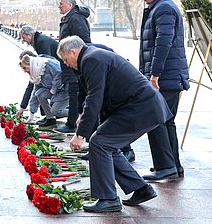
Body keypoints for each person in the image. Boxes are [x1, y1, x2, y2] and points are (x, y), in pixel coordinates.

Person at [59, 36, 172, 213]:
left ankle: (108, 199)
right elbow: (100, 96)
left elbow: (94, 97)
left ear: (73, 52)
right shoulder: (91, 56)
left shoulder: (91, 59)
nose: (66, 64)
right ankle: (140, 189)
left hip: (141, 107)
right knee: (104, 143)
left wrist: (80, 135)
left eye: (65, 59)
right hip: (140, 105)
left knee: (99, 142)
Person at [138, 0, 190, 180]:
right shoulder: (161, 8)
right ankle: (173, 166)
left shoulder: (164, 9)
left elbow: (163, 43)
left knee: (155, 120)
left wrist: (154, 75)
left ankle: (165, 166)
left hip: (165, 77)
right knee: (166, 121)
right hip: (167, 76)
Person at [56, 0, 90, 134]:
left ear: (70, 5)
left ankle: (72, 123)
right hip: (69, 61)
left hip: (75, 62)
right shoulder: (69, 18)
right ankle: (72, 121)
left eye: (62, 4)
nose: (59, 6)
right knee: (73, 92)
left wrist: (78, 60)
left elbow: (84, 41)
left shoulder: (75, 18)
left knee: (75, 92)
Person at [17, 53, 67, 127]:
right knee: (39, 94)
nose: (25, 71)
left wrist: (53, 88)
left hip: (65, 89)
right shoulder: (36, 73)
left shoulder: (47, 65)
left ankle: (77, 113)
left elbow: (59, 73)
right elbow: (34, 93)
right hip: (55, 91)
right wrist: (32, 113)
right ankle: (50, 119)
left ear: (30, 65)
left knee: (55, 111)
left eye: (25, 68)